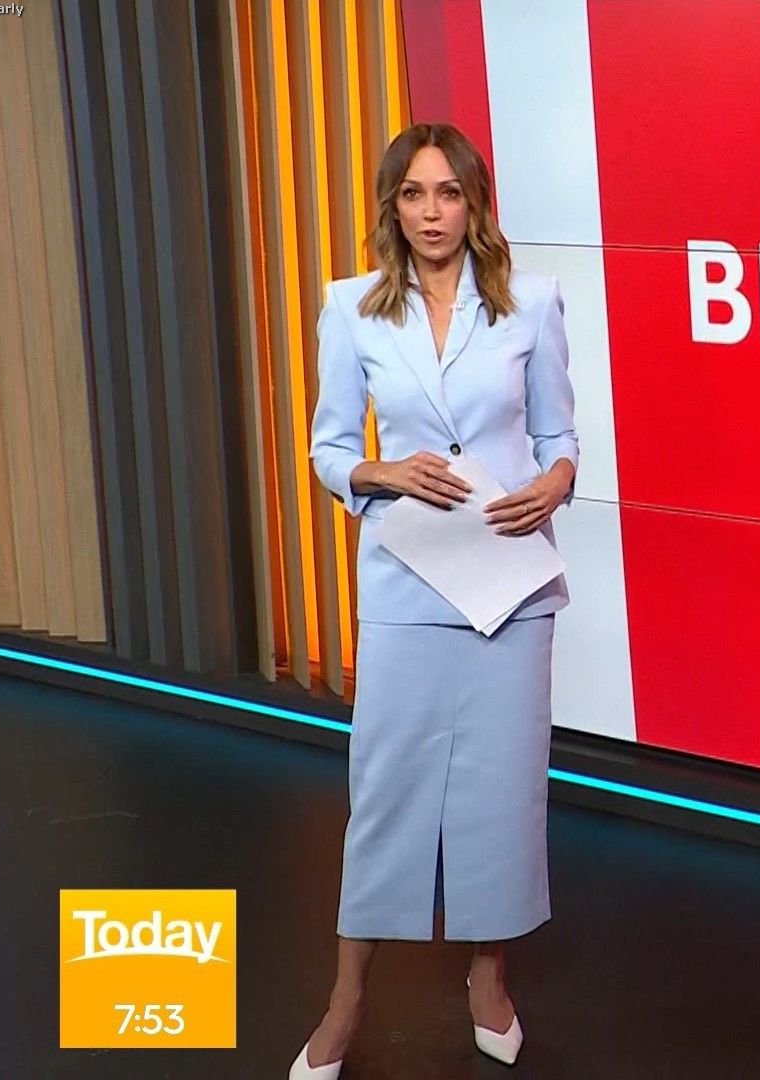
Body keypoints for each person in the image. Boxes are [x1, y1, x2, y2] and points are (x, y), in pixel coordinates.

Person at [291, 121, 578, 1078]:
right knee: (385, 796)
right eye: (413, 194)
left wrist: (557, 482)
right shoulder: (352, 308)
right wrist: (383, 471)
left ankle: (488, 980)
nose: (430, 213)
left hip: (507, 582)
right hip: (408, 581)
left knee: (503, 795)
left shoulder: (531, 302)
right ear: (393, 206)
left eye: (447, 193)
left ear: (473, 203)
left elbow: (558, 436)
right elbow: (330, 448)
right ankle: (346, 1002)